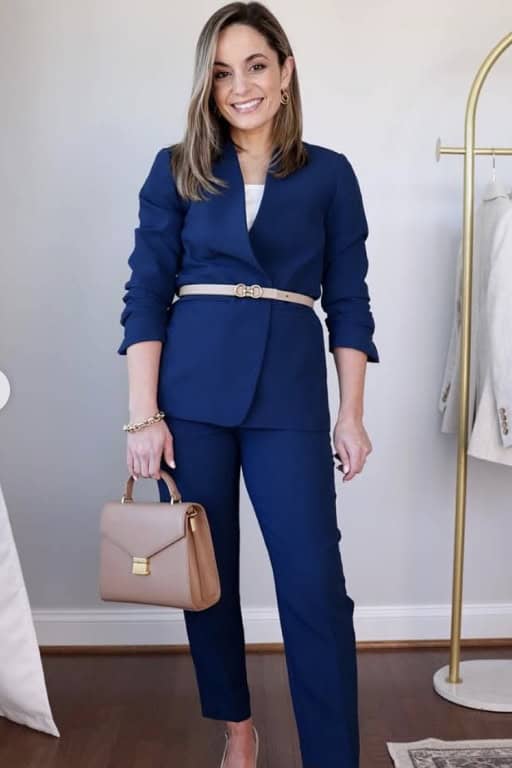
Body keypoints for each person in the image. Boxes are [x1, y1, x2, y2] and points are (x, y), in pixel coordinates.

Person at [117, 3, 380, 767]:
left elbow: (351, 301)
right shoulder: (177, 168)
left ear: (286, 70)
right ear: (208, 84)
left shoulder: (330, 174)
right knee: (208, 578)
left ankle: (333, 755)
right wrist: (143, 417)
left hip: (290, 398)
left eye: (256, 66)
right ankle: (237, 729)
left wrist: (351, 414)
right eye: (223, 72)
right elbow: (144, 293)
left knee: (315, 588)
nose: (240, 86)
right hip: (191, 395)